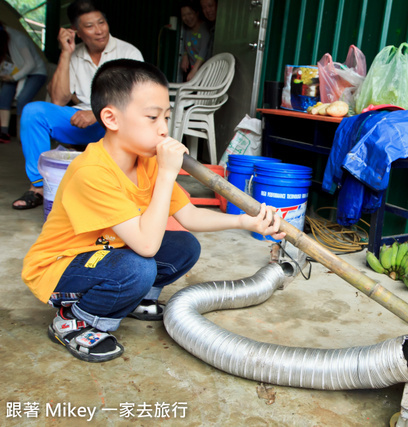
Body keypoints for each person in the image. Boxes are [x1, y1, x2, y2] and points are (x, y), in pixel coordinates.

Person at [22, 59, 285, 363]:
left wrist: (244, 220)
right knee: (139, 266)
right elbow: (146, 245)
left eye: (166, 117)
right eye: (152, 118)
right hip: (61, 268)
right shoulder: (92, 171)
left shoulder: (144, 159)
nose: (164, 130)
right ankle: (77, 319)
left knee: (184, 246)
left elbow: (189, 216)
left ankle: (130, 298)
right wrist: (166, 175)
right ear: (111, 118)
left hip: (109, 252)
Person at [12, 0, 143, 210]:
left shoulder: (129, 54)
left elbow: (137, 100)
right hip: (80, 121)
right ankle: (39, 186)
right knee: (33, 112)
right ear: (77, 32)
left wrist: (97, 112)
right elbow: (58, 100)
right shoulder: (75, 55)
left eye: (102, 23)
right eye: (90, 26)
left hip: (115, 125)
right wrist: (66, 52)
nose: (99, 31)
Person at [0, 22, 48, 144]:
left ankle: (23, 135)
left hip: (36, 72)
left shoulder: (18, 38)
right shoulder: (5, 40)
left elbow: (31, 64)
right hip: (19, 73)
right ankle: (4, 132)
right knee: (4, 94)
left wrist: (13, 77)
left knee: (23, 99)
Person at [179, 0, 210, 82]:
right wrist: (185, 55)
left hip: (205, 71)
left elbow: (203, 51)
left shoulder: (204, 29)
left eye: (190, 14)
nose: (187, 18)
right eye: (184, 15)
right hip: (194, 70)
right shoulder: (186, 30)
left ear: (197, 13)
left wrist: (194, 70)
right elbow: (185, 45)